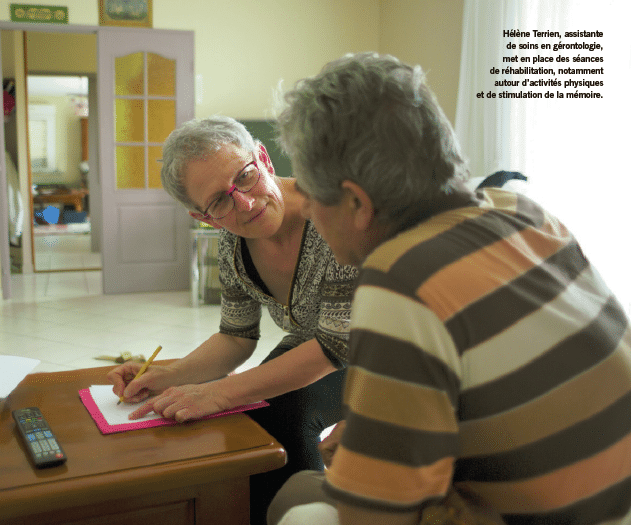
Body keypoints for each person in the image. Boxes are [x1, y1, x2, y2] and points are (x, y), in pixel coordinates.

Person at [268, 52, 631, 525]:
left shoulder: (400, 281)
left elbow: (375, 515)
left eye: (312, 196)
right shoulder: (525, 213)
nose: (309, 211)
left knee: (293, 499)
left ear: (357, 202)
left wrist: (366, 460)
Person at [107, 116, 357, 525]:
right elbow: (237, 336)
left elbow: (335, 347)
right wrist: (172, 375)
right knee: (256, 420)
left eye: (245, 177)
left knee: (284, 415)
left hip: (392, 348)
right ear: (204, 218)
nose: (245, 202)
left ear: (263, 158)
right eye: (219, 202)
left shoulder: (333, 216)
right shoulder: (233, 243)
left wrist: (221, 392)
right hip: (320, 342)